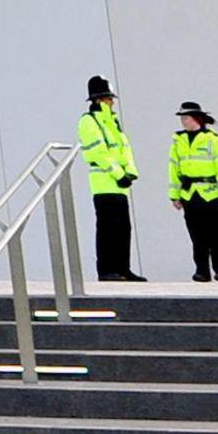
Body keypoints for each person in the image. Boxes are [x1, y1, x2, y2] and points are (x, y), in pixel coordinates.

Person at [78, 76, 144, 281]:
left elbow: (124, 148)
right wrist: (119, 174)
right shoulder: (89, 122)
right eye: (108, 98)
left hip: (120, 185)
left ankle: (123, 267)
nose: (112, 102)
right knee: (107, 228)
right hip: (104, 184)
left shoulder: (112, 122)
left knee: (123, 228)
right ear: (99, 99)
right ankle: (107, 270)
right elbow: (99, 153)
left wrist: (131, 171)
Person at [169, 101, 218, 282]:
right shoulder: (178, 141)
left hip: (211, 193)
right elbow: (174, 169)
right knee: (197, 236)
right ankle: (202, 270)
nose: (183, 121)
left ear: (196, 119)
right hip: (190, 194)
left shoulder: (213, 140)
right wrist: (175, 195)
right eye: (182, 118)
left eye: (186, 118)